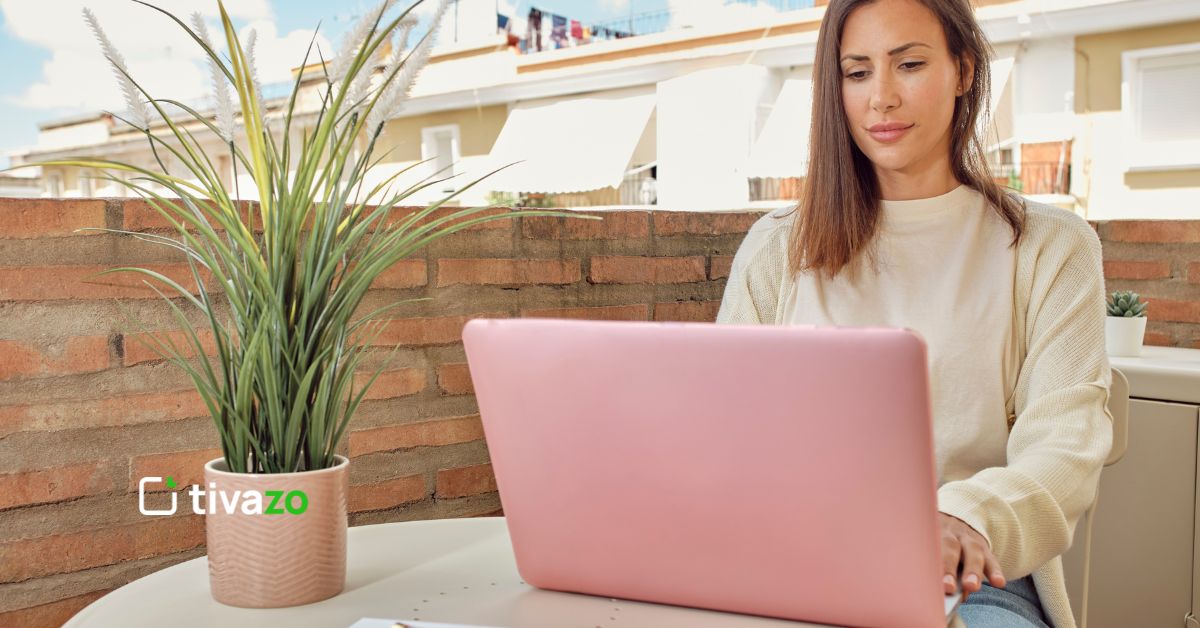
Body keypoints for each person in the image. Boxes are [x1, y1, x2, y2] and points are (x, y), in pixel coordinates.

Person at [715, 1, 1113, 627]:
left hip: (972, 580)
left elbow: (1064, 450)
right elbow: (725, 435)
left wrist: (960, 518)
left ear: (964, 71)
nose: (882, 98)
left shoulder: (1049, 246)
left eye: (909, 64)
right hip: (798, 565)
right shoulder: (777, 246)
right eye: (857, 72)